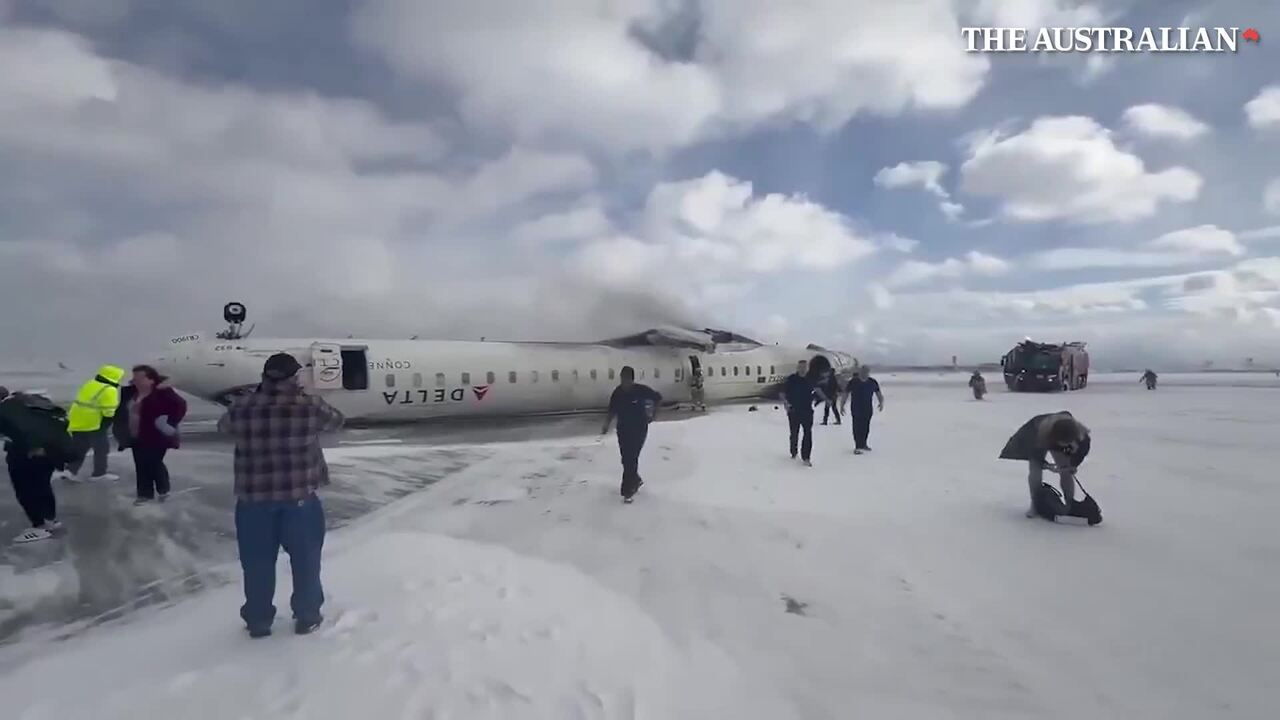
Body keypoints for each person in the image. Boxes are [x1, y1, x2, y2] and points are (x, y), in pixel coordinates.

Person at [217, 353, 345, 638]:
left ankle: (259, 622)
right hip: (299, 500)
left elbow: (223, 427)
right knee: (306, 561)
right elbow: (337, 421)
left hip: (252, 503)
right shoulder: (308, 405)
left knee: (257, 564)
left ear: (265, 376)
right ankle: (307, 617)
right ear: (293, 377)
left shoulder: (243, 405)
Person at [0, 387, 68, 543]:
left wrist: (32, 448)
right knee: (42, 486)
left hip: (28, 455)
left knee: (26, 490)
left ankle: (40, 526)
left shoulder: (6, 410)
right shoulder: (28, 401)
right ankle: (51, 521)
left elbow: (21, 431)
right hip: (51, 452)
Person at [112, 365, 187, 505]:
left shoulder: (163, 392)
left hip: (157, 435)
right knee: (140, 464)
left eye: (140, 377)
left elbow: (180, 405)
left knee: (153, 462)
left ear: (151, 380)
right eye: (134, 377)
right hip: (135, 435)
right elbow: (121, 412)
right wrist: (120, 430)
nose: (136, 380)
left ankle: (164, 490)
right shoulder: (129, 393)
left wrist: (169, 422)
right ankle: (144, 495)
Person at [999, 411, 1091, 518]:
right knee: (1035, 471)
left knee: (1066, 471)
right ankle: (1035, 504)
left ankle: (1070, 505)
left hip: (1060, 432)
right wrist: (1046, 465)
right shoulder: (1038, 434)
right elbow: (1035, 455)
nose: (1065, 447)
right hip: (1039, 434)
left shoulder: (1080, 434)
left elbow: (1082, 450)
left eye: (1068, 444)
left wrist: (1073, 464)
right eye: (1063, 444)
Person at [601, 366, 662, 502]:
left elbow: (657, 398)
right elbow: (612, 410)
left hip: (639, 429)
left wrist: (654, 414)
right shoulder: (617, 392)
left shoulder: (640, 390)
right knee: (626, 459)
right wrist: (606, 424)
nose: (624, 382)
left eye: (627, 379)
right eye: (622, 379)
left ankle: (627, 491)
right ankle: (636, 479)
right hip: (623, 430)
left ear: (632, 380)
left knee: (631, 458)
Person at [59, 364, 124, 482]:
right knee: (102, 448)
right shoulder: (109, 390)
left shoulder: (90, 384)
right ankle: (99, 474)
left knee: (79, 448)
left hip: (77, 420)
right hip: (94, 423)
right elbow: (109, 412)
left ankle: (70, 471)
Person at [782, 360, 823, 466]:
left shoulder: (811, 379)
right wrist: (786, 404)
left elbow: (817, 389)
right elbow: (782, 393)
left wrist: (825, 399)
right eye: (800, 367)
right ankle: (793, 451)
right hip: (794, 410)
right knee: (794, 433)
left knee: (808, 433)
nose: (802, 369)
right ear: (797, 368)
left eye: (804, 367)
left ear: (807, 368)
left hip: (807, 410)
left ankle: (806, 457)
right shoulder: (792, 379)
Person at [846, 365, 884, 454]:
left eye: (866, 371)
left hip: (867, 408)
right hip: (856, 408)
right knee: (857, 426)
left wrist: (881, 403)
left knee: (865, 427)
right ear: (860, 372)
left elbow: (878, 393)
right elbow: (846, 393)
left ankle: (864, 444)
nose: (864, 373)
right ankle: (858, 446)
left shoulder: (872, 382)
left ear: (868, 372)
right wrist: (842, 405)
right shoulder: (853, 382)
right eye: (862, 371)